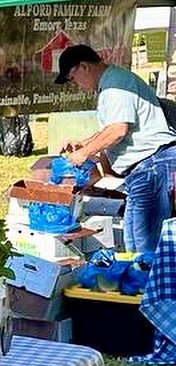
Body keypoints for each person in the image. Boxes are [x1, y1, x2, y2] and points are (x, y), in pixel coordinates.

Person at [57, 44, 176, 253]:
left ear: (84, 67)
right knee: (132, 243)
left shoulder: (115, 85)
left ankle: (149, 275)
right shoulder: (110, 84)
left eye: (72, 78)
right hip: (144, 170)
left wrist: (84, 153)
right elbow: (110, 129)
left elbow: (118, 130)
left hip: (151, 167)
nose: (75, 85)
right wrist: (85, 143)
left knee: (145, 246)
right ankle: (139, 273)